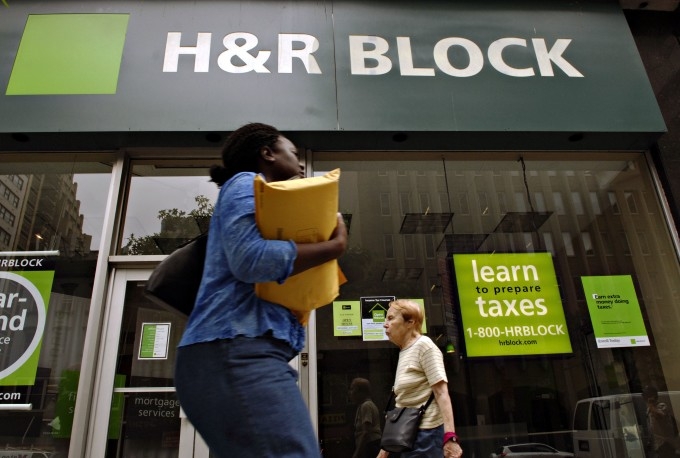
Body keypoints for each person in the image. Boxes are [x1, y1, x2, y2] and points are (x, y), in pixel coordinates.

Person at [174, 122, 348, 457]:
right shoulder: (244, 184)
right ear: (267, 153)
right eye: (293, 154)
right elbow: (250, 260)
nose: (300, 166)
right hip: (234, 350)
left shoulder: (267, 204)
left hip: (237, 351)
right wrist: (333, 248)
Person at [379, 299, 463, 458]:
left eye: (390, 318)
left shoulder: (424, 346)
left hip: (427, 436)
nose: (385, 324)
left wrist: (450, 437)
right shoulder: (404, 351)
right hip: (408, 436)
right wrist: (384, 450)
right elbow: (404, 401)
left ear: (410, 322)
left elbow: (441, 393)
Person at [643, 385, 680, 458]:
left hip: (666, 444)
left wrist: (651, 404)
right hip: (658, 445)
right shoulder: (649, 410)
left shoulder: (661, 406)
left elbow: (659, 415)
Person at [349, 377, 382, 458]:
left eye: (352, 389)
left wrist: (356, 454)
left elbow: (365, 432)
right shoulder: (366, 405)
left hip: (370, 447)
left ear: (359, 391)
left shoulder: (366, 406)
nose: (350, 393)